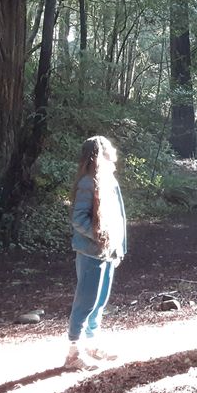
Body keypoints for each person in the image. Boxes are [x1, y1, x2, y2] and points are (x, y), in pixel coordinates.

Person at [65, 136, 127, 371]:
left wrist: (119, 247)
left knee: (100, 301)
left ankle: (92, 344)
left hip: (108, 252)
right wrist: (100, 236)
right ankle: (73, 351)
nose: (114, 151)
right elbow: (78, 218)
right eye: (109, 149)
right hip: (91, 252)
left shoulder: (109, 180)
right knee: (86, 301)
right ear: (99, 153)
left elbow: (119, 219)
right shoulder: (87, 183)